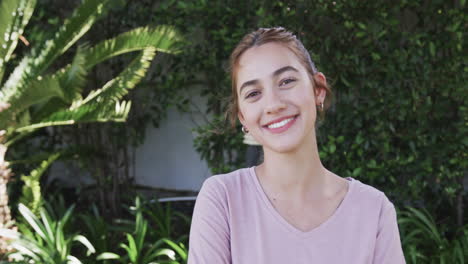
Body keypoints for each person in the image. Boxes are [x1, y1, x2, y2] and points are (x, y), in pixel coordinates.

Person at [187, 27, 406, 264]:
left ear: (318, 90)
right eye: (253, 93)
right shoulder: (223, 200)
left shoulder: (374, 210)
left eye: (286, 81)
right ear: (243, 117)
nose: (273, 104)